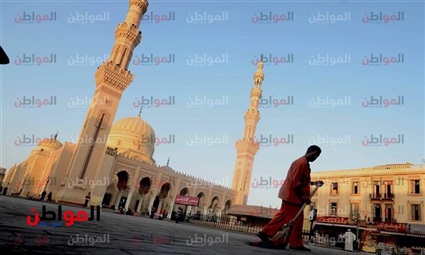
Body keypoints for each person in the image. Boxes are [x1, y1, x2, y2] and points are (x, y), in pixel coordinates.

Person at [256, 145, 322, 252]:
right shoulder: (301, 163)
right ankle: (295, 244)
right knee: (297, 220)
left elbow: (302, 181)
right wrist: (303, 196)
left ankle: (265, 233)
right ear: (310, 152)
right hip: (293, 196)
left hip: (289, 195)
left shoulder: (303, 163)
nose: (316, 158)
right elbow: (296, 182)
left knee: (283, 215)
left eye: (317, 156)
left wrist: (314, 183)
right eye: (315, 155)